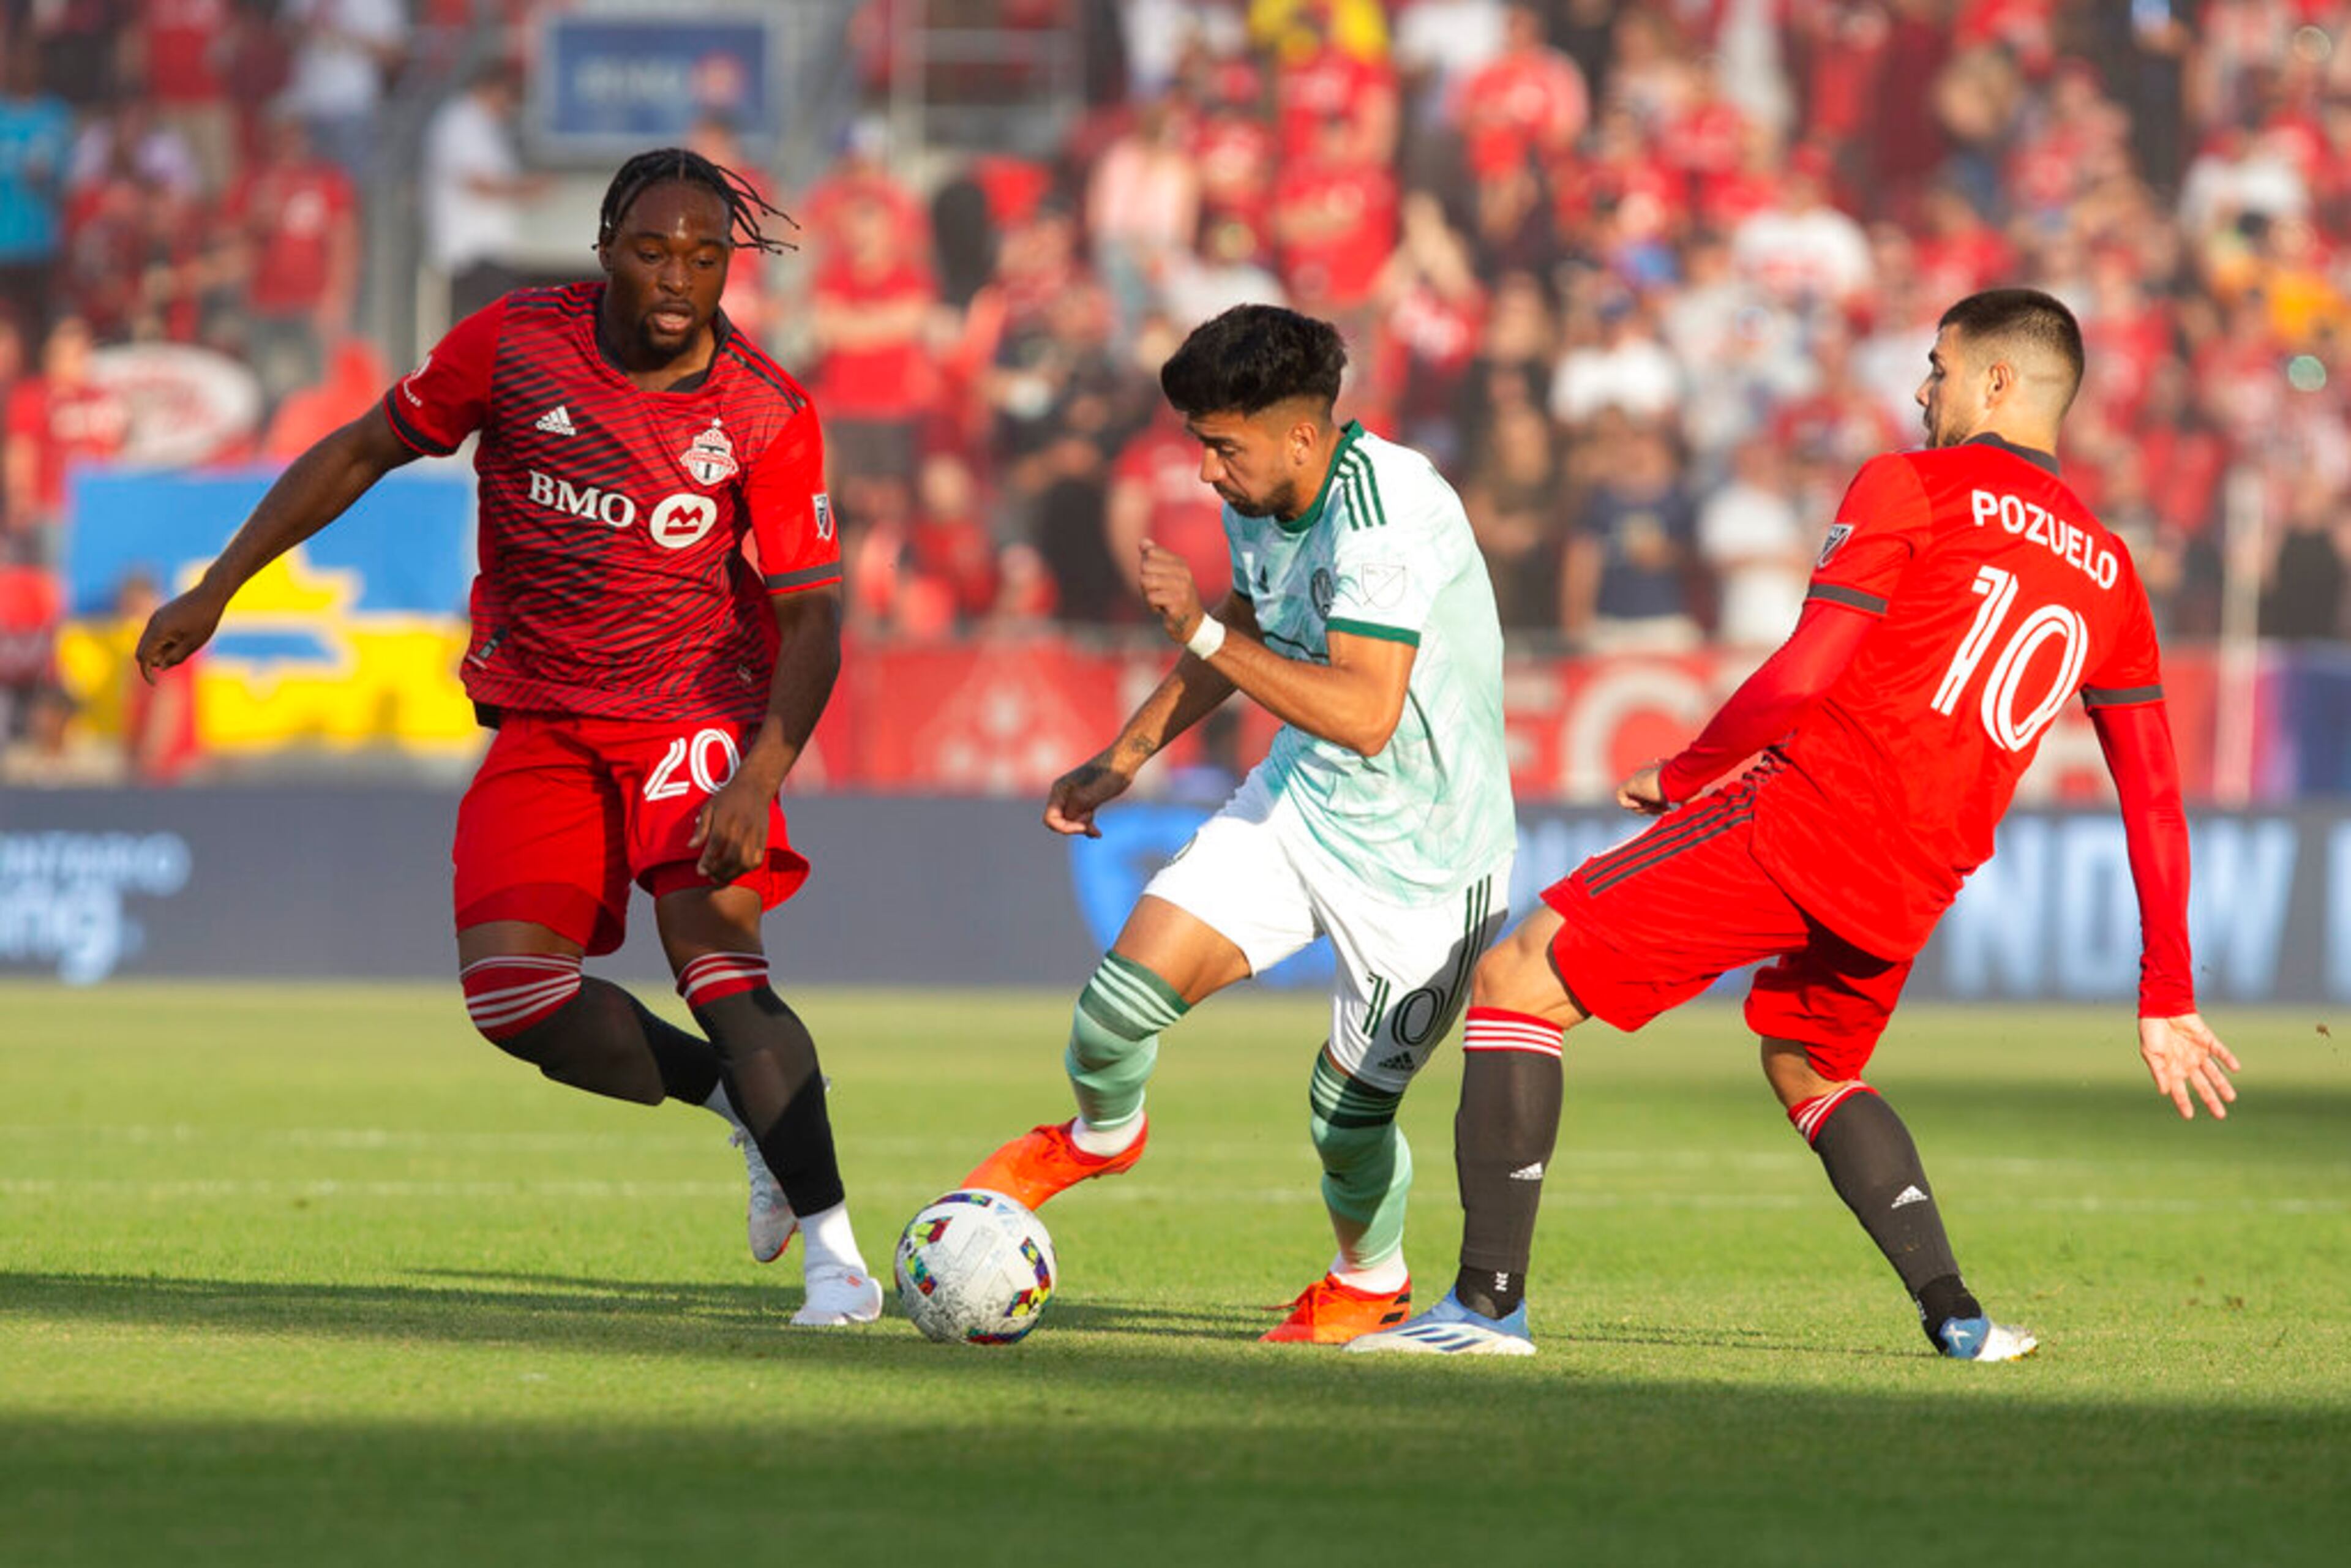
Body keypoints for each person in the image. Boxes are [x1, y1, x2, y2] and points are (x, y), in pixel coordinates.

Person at [1351, 288, 2240, 1359]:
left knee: (1514, 982)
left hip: (1805, 821)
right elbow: (2153, 797)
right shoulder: (2112, 571)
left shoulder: (1910, 485)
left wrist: (1689, 770)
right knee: (1809, 1065)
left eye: (1940, 367)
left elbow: (1808, 667)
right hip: (1915, 880)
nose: (1924, 389)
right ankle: (1957, 1314)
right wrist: (2168, 992)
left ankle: (1487, 1308)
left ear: (1998, 383)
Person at [132, 148, 885, 1327]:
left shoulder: (766, 411)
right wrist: (219, 585)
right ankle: (736, 1103)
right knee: (513, 997)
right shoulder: (516, 343)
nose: (679, 275)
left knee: (717, 964)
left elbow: (814, 614)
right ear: (602, 248)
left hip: (693, 714)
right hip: (546, 711)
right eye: (652, 249)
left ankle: (839, 1260)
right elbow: (361, 450)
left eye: (705, 254)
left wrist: (762, 769)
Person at [962, 304, 1517, 1345]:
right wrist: (1122, 757)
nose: (1207, 474)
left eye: (1223, 448)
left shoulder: (1388, 510)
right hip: (1301, 806)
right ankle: (1101, 1136)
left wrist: (1200, 626)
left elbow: (1364, 710)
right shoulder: (1259, 498)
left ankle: (1369, 1278)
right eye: (1200, 446)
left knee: (1344, 1121)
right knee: (1112, 1012)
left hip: (1429, 865)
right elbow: (1257, 626)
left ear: (1302, 436)